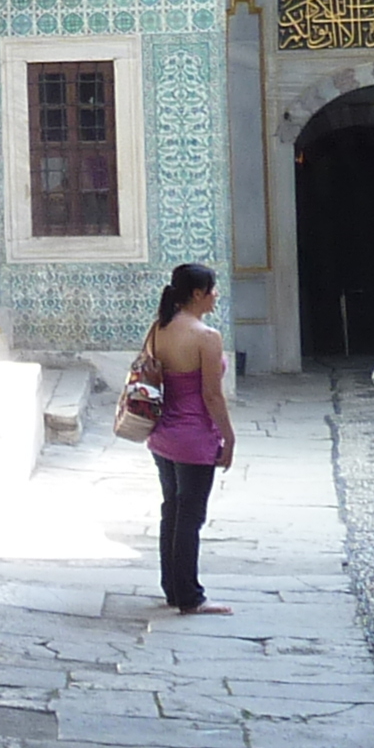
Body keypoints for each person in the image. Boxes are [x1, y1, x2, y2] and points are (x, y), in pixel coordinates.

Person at [141, 262, 236, 616]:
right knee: (190, 515)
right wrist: (228, 438)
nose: (215, 295)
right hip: (194, 438)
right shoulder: (206, 337)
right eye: (212, 289)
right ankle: (190, 595)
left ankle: (173, 586)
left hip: (163, 434)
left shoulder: (158, 328)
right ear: (197, 294)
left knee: (173, 510)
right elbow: (213, 395)